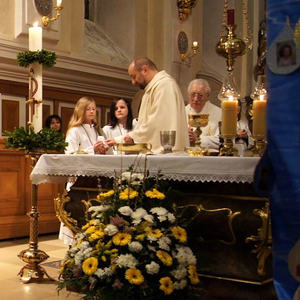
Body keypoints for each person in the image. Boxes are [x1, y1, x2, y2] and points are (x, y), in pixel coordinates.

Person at [106, 57, 188, 153]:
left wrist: (127, 138)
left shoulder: (164, 86)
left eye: (134, 76)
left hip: (166, 155)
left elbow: (156, 123)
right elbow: (144, 125)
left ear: (145, 70)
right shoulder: (151, 89)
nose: (133, 82)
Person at [185, 79, 222, 149]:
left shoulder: (219, 113)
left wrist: (198, 139)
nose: (195, 99)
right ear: (188, 95)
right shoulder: (182, 112)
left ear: (207, 95)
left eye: (200, 95)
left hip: (209, 156)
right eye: (193, 94)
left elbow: (221, 140)